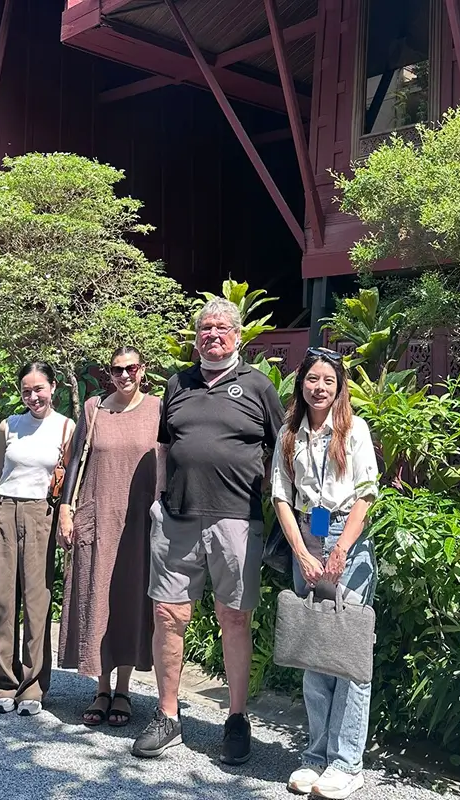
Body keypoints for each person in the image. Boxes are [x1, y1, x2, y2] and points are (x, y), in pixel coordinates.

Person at [132, 298, 283, 764]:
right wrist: (158, 498)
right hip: (177, 518)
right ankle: (168, 715)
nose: (212, 335)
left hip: (236, 518)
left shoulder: (258, 387)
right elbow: (163, 445)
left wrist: (280, 510)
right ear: (196, 336)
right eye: (204, 328)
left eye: (221, 328)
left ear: (237, 336)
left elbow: (281, 452)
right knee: (168, 616)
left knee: (234, 618)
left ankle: (236, 719)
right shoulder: (178, 383)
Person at [271, 346, 380, 799]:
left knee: (349, 658)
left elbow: (367, 494)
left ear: (339, 388)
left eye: (328, 381)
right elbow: (281, 495)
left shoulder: (353, 431)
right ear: (302, 383)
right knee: (315, 654)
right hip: (305, 536)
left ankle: (347, 762)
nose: (319, 388)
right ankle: (316, 755)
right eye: (312, 379)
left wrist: (340, 551)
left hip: (344, 537)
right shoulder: (290, 433)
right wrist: (301, 551)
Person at [57, 346, 160, 727]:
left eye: (131, 368)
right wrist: (66, 508)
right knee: (98, 596)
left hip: (140, 521)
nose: (124, 375)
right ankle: (101, 688)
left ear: (142, 369)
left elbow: (169, 458)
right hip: (98, 514)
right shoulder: (94, 408)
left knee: (130, 599)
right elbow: (74, 461)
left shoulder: (158, 408)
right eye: (117, 369)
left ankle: (124, 689)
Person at [0, 361, 75, 716]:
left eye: (39, 388)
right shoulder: (9, 426)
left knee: (37, 602)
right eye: (27, 390)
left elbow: (68, 480)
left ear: (53, 388)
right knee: (0, 602)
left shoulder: (65, 427)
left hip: (41, 514)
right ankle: (4, 685)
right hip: (4, 509)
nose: (33, 396)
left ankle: (33, 688)